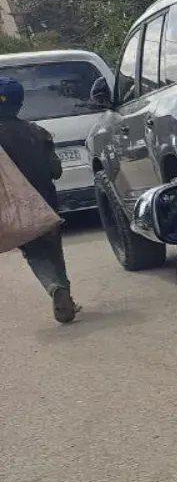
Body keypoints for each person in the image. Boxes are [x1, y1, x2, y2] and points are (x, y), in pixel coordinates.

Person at [0, 75, 78, 323]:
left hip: (16, 207)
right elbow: (56, 171)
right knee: (54, 250)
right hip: (46, 202)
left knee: (33, 253)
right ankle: (66, 296)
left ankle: (55, 287)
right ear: (20, 103)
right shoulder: (39, 133)